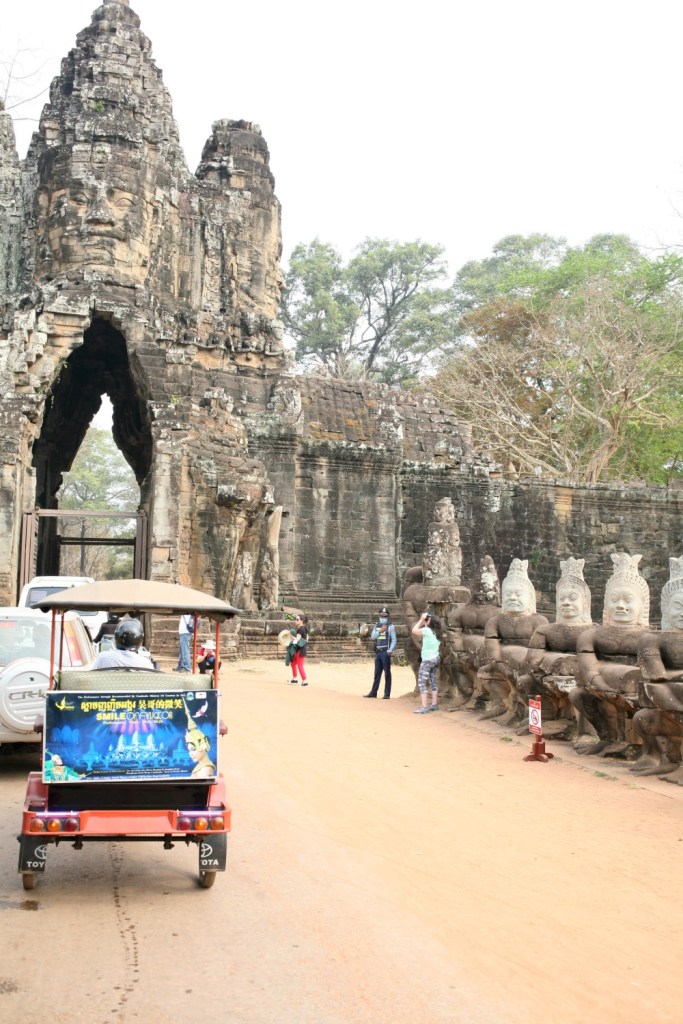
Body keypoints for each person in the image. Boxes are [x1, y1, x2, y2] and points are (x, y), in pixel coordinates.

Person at [411, 611, 442, 713]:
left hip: (427, 660)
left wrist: (420, 620)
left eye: (428, 620)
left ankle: (424, 706)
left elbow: (414, 630)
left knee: (422, 682)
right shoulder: (437, 633)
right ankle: (434, 704)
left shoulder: (427, 631)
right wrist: (426, 621)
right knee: (433, 681)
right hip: (435, 659)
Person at [364, 606, 397, 699]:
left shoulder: (391, 627)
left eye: (385, 616)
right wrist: (380, 631)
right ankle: (373, 692)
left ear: (387, 617)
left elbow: (394, 640)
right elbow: (373, 637)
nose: (383, 618)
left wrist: (390, 650)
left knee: (387, 673)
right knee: (377, 673)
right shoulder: (377, 625)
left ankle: (387, 694)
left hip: (385, 652)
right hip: (378, 652)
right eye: (381, 616)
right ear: (379, 616)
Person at [288, 614, 309, 686]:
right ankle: (294, 679)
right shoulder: (304, 628)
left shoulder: (301, 629)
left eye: (297, 619)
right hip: (300, 649)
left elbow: (297, 640)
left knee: (300, 665)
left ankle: (305, 680)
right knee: (293, 663)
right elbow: (306, 639)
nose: (295, 620)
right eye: (295, 619)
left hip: (300, 650)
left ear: (301, 621)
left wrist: (291, 639)